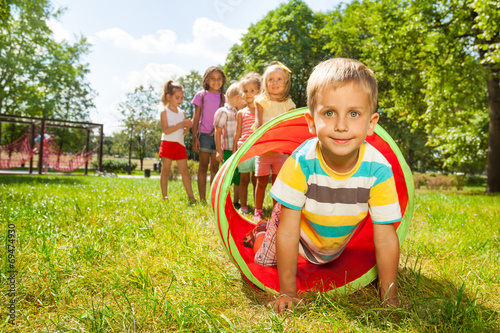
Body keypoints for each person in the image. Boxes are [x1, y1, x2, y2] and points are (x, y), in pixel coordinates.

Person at [247, 58, 402, 314]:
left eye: (354, 114)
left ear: (371, 123)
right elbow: (288, 232)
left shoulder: (378, 169)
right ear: (310, 121)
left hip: (332, 241)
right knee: (265, 257)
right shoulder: (302, 162)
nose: (341, 125)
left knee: (331, 259)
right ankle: (261, 232)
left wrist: (390, 296)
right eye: (329, 113)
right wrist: (287, 291)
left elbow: (385, 237)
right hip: (295, 231)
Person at [253, 61, 295, 222]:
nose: (275, 83)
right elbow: (258, 125)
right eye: (271, 79)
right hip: (264, 149)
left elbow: (290, 127)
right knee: (261, 180)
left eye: (279, 79)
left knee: (277, 182)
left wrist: (287, 147)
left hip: (280, 150)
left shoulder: (288, 104)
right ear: (265, 82)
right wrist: (260, 143)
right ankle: (258, 210)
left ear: (285, 83)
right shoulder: (261, 101)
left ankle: (275, 212)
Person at [192, 66, 227, 202]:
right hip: (203, 136)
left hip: (218, 137)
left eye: (219, 79)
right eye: (212, 78)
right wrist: (195, 137)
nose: (215, 81)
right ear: (206, 80)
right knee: (203, 166)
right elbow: (196, 117)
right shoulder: (201, 96)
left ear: (223, 81)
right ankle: (202, 198)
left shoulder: (224, 98)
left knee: (215, 167)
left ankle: (213, 199)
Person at [158, 80, 197, 202]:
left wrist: (186, 128)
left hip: (180, 144)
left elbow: (183, 132)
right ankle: (165, 197)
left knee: (185, 171)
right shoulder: (164, 112)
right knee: (165, 170)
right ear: (169, 97)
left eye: (182, 98)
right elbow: (166, 130)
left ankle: (191, 197)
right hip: (168, 143)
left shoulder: (182, 113)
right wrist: (181, 124)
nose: (180, 100)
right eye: (177, 97)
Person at [232, 72, 261, 215]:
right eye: (245, 91)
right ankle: (243, 206)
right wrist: (234, 152)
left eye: (252, 91)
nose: (248, 94)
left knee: (257, 180)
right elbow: (237, 134)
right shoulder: (241, 113)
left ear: (259, 92)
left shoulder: (261, 111)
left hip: (257, 150)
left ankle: (257, 208)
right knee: (243, 179)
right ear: (241, 94)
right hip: (243, 150)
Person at [214, 82, 246, 208]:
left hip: (238, 150)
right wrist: (218, 150)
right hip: (227, 150)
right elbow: (218, 131)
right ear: (238, 97)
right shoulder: (223, 111)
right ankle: (224, 200)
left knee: (238, 176)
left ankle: (236, 201)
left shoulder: (241, 113)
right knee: (228, 176)